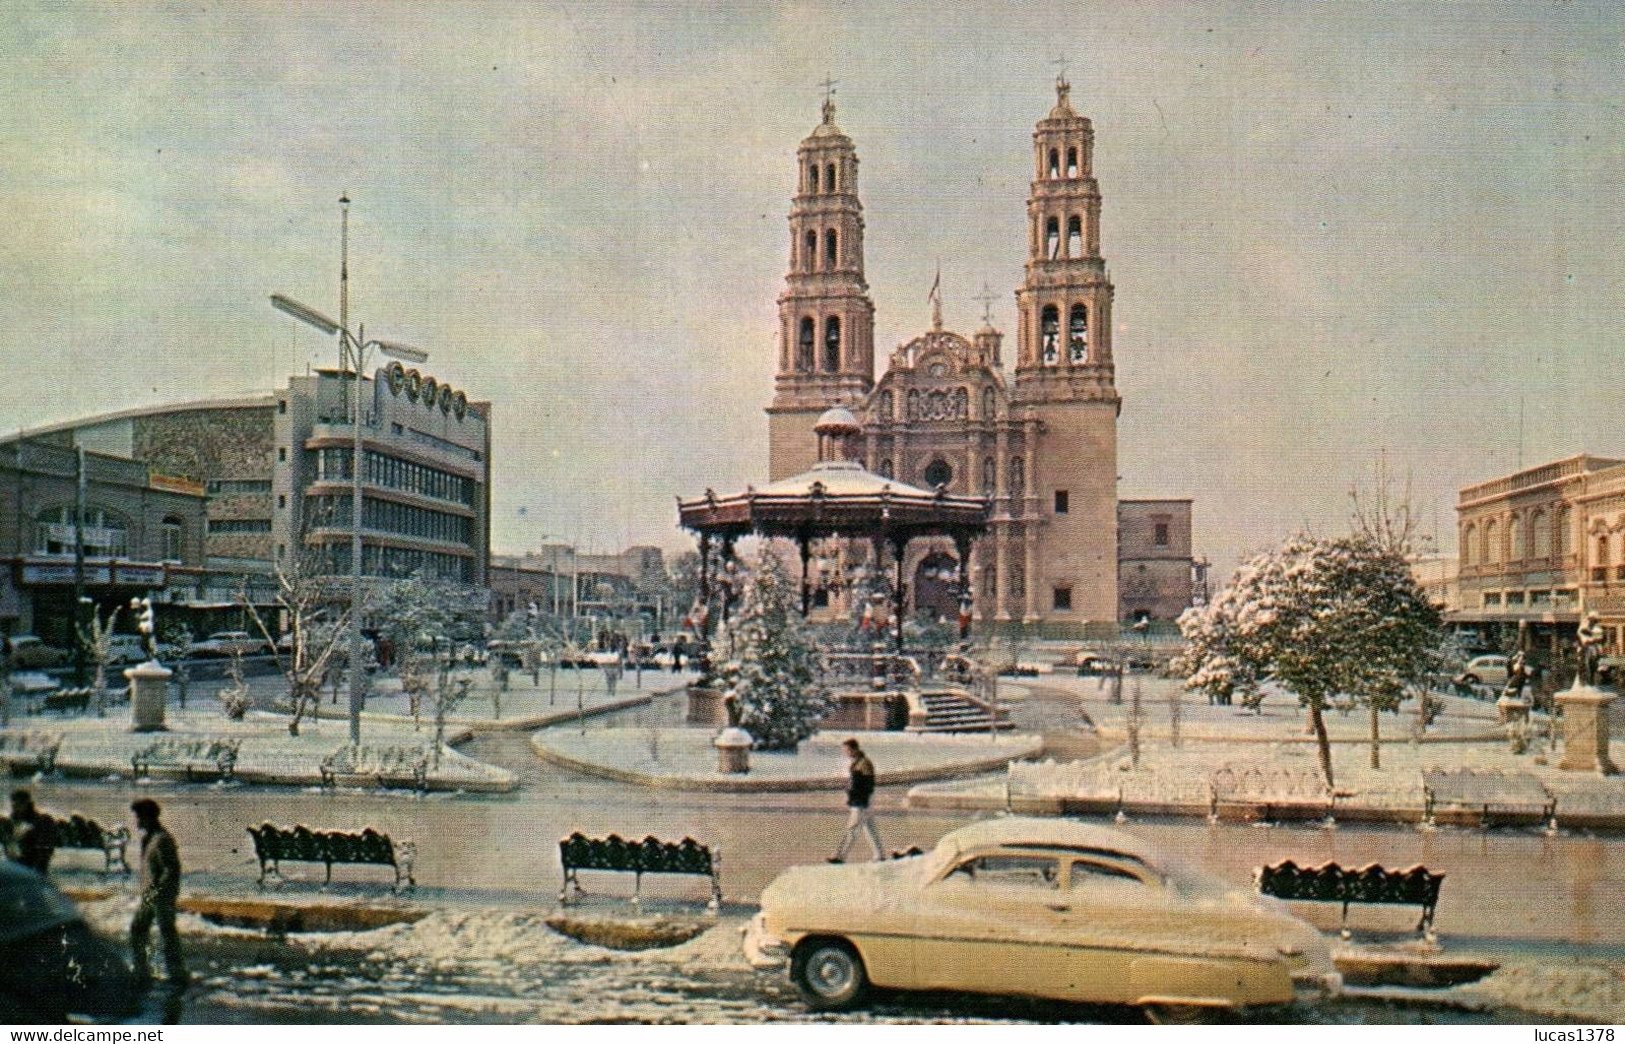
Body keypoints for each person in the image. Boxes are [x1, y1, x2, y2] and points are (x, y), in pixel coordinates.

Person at [129, 798, 186, 986]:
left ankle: (176, 974)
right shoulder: (149, 838)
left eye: (140, 817)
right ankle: (142, 971)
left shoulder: (162, 839)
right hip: (150, 895)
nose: (137, 822)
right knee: (138, 929)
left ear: (149, 818)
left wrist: (157, 890)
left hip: (161, 896)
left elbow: (171, 869)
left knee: (166, 934)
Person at [829, 738, 883, 863]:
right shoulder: (857, 762)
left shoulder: (864, 763)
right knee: (869, 828)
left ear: (854, 749)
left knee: (852, 828)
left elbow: (867, 784)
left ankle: (840, 856)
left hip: (861, 802)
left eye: (847, 750)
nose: (846, 753)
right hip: (859, 801)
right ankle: (879, 855)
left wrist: (861, 799)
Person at [6, 790, 57, 874]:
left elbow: (44, 850)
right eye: (14, 804)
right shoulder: (12, 823)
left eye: (20, 803)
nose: (16, 807)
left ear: (27, 804)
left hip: (33, 868)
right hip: (16, 867)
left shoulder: (41, 821)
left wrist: (38, 869)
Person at [1577, 612, 1604, 687]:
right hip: (1584, 648)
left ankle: (1590, 681)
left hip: (1593, 649)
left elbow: (1599, 639)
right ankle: (1583, 681)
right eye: (1590, 619)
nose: (1590, 621)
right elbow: (1580, 637)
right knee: (1582, 664)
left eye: (1592, 619)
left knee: (1592, 665)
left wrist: (1591, 638)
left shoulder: (1597, 628)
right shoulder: (1584, 628)